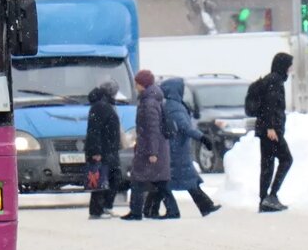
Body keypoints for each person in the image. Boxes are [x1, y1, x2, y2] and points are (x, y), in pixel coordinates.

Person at [159, 78, 221, 217]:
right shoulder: (175, 107)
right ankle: (203, 206)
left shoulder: (171, 105)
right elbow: (185, 128)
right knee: (171, 181)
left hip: (175, 148)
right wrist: (202, 137)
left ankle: (205, 206)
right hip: (177, 150)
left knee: (171, 181)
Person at [123, 70, 179, 220]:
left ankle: (136, 212)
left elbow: (152, 129)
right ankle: (171, 211)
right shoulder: (152, 99)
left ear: (143, 84)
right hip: (153, 147)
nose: (135, 86)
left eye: (137, 83)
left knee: (139, 180)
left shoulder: (149, 103)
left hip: (150, 148)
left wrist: (153, 152)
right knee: (159, 181)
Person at [256, 52, 294, 213]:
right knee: (286, 159)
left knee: (267, 164)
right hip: (272, 131)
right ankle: (271, 196)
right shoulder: (275, 81)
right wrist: (271, 127)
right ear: (283, 65)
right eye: (289, 65)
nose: (291, 69)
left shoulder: (269, 79)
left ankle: (264, 199)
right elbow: (270, 105)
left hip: (266, 130)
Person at [85, 81, 122, 219]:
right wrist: (96, 152)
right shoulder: (101, 106)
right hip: (103, 150)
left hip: (109, 149)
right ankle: (97, 210)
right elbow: (94, 131)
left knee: (113, 177)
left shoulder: (105, 104)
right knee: (100, 180)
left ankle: (106, 207)